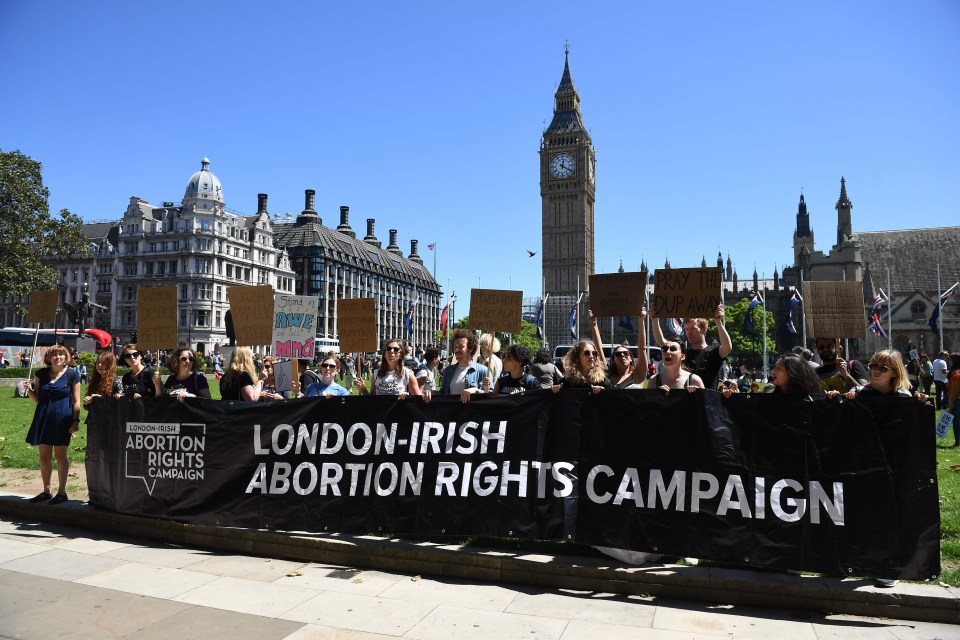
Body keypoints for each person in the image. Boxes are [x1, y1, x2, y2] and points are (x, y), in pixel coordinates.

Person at [23, 344, 81, 505]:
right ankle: (46, 491)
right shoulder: (41, 374)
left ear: (66, 357)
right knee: (44, 456)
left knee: (61, 456)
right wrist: (29, 390)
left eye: (61, 354)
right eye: (54, 355)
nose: (58, 357)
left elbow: (76, 402)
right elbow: (37, 399)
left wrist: (76, 421)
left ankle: (62, 492)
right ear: (49, 357)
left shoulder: (72, 375)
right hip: (43, 418)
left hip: (62, 419)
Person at [652, 305, 731, 390]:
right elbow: (662, 342)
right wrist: (654, 320)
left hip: (707, 400)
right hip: (687, 401)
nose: (689, 333)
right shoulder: (684, 353)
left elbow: (727, 347)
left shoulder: (713, 351)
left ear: (704, 329)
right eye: (686, 329)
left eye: (693, 328)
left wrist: (718, 322)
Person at [589, 308, 648, 388]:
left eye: (626, 353)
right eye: (618, 354)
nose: (622, 355)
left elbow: (642, 348)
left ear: (631, 358)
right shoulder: (608, 374)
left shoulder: (638, 374)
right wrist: (593, 323)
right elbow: (599, 349)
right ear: (613, 360)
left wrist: (641, 321)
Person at [843, 350, 929, 403]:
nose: (876, 371)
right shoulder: (857, 392)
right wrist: (834, 397)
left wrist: (921, 402)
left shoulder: (904, 396)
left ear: (894, 373)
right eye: (873, 366)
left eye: (883, 369)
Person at [436, 329, 489, 403]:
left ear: (470, 348)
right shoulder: (448, 371)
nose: (456, 350)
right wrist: (431, 392)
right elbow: (442, 394)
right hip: (451, 413)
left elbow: (491, 397)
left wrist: (476, 390)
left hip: (472, 414)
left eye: (461, 347)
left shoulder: (483, 371)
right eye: (455, 347)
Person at [356, 338, 421, 398]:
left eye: (396, 349)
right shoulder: (376, 373)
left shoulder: (408, 374)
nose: (392, 351)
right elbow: (372, 400)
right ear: (384, 354)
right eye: (388, 348)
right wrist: (363, 389)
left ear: (401, 355)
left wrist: (407, 396)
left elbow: (418, 401)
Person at [946, 354, 960, 449]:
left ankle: (957, 442)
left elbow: (954, 389)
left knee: (956, 421)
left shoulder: (955, 373)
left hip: (957, 399)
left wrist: (951, 401)